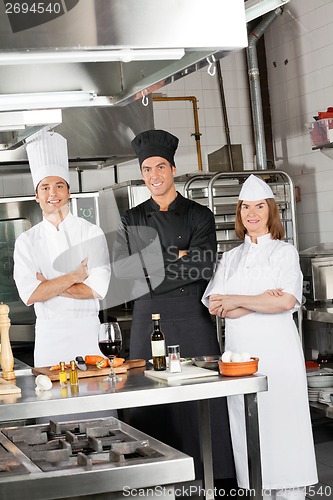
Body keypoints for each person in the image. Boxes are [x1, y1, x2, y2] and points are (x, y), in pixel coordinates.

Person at [113, 129, 235, 487]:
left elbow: (203, 265)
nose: (154, 175)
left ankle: (216, 479)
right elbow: (124, 271)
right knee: (146, 397)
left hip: (191, 318)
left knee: (202, 398)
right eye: (147, 169)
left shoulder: (199, 214)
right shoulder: (131, 218)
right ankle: (151, 480)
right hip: (145, 318)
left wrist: (152, 265)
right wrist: (177, 258)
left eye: (161, 167)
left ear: (173, 169)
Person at [202, 174, 318, 500]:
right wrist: (257, 300)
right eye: (245, 207)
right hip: (239, 358)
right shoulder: (230, 258)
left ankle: (292, 492)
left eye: (259, 206)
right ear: (239, 214)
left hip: (279, 356)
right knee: (249, 430)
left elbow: (285, 302)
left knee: (283, 424)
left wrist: (238, 299)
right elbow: (216, 305)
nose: (251, 213)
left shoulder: (285, 253)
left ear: (271, 212)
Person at [14, 130, 111, 367]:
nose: (53, 193)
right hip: (50, 339)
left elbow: (97, 289)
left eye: (59, 186)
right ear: (37, 196)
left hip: (88, 335)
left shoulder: (91, 233)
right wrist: (75, 277)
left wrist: (48, 283)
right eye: (45, 187)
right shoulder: (26, 241)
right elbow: (30, 294)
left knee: (96, 401)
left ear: (68, 191)